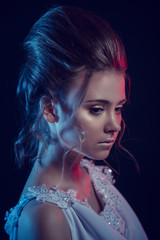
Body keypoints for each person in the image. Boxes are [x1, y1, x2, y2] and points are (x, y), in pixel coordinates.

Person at [4, 6, 148, 240]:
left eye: (118, 108)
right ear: (50, 110)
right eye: (97, 109)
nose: (115, 125)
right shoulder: (44, 217)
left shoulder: (88, 172)